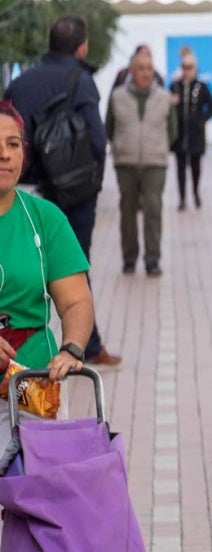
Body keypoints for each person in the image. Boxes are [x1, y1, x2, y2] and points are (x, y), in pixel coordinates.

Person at [4, 15, 121, 367]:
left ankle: (84, 340)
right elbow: (97, 140)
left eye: (12, 143)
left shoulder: (21, 84)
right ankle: (92, 342)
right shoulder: (80, 80)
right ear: (82, 47)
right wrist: (90, 185)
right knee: (71, 271)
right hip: (72, 193)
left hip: (27, 186)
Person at [0, 101, 93, 449]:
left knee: (36, 498)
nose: (5, 155)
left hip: (34, 388)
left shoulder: (45, 218)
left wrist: (72, 348)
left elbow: (76, 301)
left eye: (12, 144)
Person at [106, 51, 177, 277]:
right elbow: (109, 127)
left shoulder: (164, 97)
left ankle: (152, 259)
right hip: (125, 162)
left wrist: (160, 147)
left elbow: (172, 130)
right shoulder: (117, 96)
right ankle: (129, 258)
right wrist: (119, 147)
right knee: (127, 211)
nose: (146, 72)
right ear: (131, 72)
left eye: (149, 68)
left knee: (153, 209)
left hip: (155, 162)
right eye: (141, 68)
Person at [169, 52, 212, 211]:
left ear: (195, 68)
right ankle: (182, 198)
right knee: (180, 167)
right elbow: (167, 108)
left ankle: (195, 192)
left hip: (196, 135)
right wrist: (172, 104)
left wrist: (201, 120)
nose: (186, 70)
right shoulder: (175, 86)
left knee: (196, 167)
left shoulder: (202, 86)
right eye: (184, 67)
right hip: (180, 135)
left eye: (189, 67)